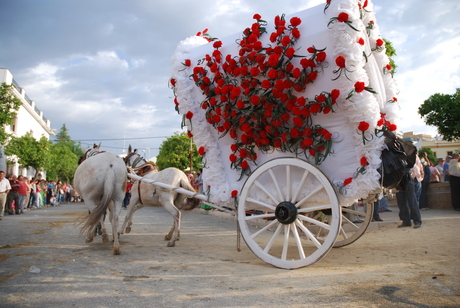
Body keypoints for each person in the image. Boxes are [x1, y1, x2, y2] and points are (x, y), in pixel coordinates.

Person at [396, 155, 423, 228]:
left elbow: (415, 167)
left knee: (412, 200)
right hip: (400, 177)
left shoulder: (410, 154)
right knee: (401, 201)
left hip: (408, 177)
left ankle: (417, 221)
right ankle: (406, 221)